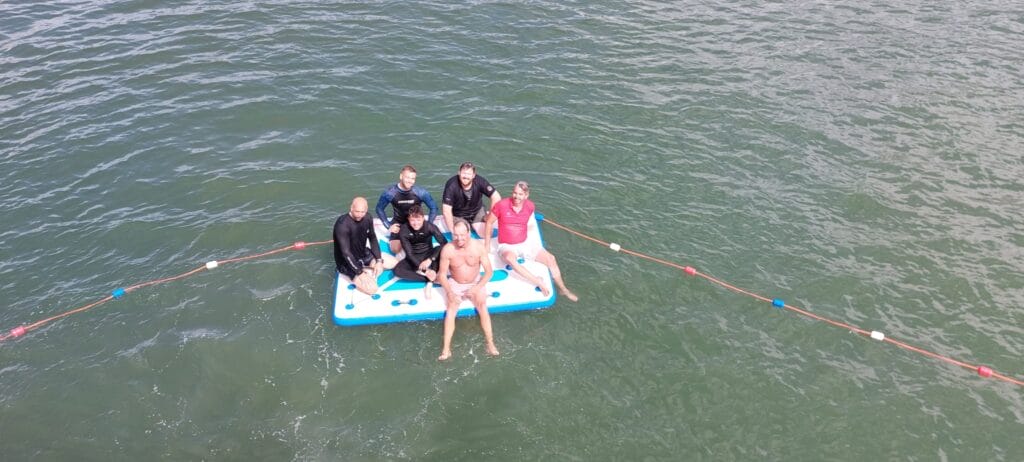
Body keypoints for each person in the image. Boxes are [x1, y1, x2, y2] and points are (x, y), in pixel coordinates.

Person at [484, 181, 578, 302]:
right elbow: (489, 222)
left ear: (526, 196)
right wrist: (487, 244)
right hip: (507, 245)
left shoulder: (530, 206)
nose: (516, 197)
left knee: (551, 259)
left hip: (524, 243)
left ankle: (563, 289)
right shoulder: (501, 205)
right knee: (510, 259)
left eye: (520, 194)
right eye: (515, 193)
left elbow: (525, 223)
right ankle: (537, 281)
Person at [437, 218, 497, 360]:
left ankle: (490, 343)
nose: (459, 238)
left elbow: (489, 272)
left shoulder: (478, 247)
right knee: (451, 308)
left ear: (469, 233)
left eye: (462, 235)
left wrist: (477, 288)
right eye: (456, 235)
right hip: (455, 283)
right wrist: (450, 292)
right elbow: (442, 275)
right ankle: (446, 349)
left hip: (475, 281)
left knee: (482, 304)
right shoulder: (448, 249)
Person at [333, 197, 396, 295]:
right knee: (373, 289)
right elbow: (346, 253)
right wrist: (360, 273)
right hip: (347, 262)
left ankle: (370, 267)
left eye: (362, 212)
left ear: (366, 210)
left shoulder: (367, 218)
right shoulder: (342, 225)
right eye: (357, 211)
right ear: (351, 208)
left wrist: (379, 260)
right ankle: (360, 273)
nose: (359, 215)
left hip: (363, 254)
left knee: (394, 263)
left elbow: (373, 238)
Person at [376, 165, 439, 255]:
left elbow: (433, 208)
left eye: (413, 178)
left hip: (416, 222)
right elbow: (379, 208)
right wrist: (388, 225)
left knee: (425, 248)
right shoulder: (390, 193)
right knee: (395, 249)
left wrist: (429, 224)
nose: (410, 181)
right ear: (401, 176)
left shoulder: (420, 192)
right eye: (407, 177)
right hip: (399, 223)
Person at [392, 205, 448, 300]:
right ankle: (430, 278)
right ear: (408, 219)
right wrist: (426, 271)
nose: (415, 223)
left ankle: (433, 273)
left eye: (418, 220)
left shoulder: (430, 226)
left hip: (429, 254)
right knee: (397, 271)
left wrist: (430, 259)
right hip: (414, 256)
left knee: (440, 249)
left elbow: (444, 243)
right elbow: (409, 254)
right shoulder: (404, 230)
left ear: (423, 218)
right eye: (412, 220)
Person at [441, 162, 501, 237]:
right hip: (459, 215)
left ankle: (475, 224)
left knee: (487, 233)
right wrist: (453, 231)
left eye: (469, 174)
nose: (466, 176)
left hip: (477, 211)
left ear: (473, 175)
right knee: (464, 235)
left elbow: (496, 197)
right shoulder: (451, 185)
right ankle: (466, 226)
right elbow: (446, 210)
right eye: (463, 173)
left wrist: (489, 217)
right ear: (459, 173)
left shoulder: (479, 181)